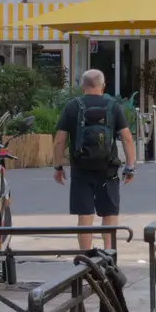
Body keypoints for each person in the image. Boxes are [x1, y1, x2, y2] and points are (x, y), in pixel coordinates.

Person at [52, 69, 137, 251]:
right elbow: (127, 138)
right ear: (102, 85)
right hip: (108, 168)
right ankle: (109, 254)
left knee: (85, 214)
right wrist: (130, 167)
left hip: (81, 168)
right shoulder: (113, 106)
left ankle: (86, 258)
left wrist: (58, 166)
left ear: (82, 87)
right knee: (109, 212)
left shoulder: (72, 106)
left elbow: (60, 139)